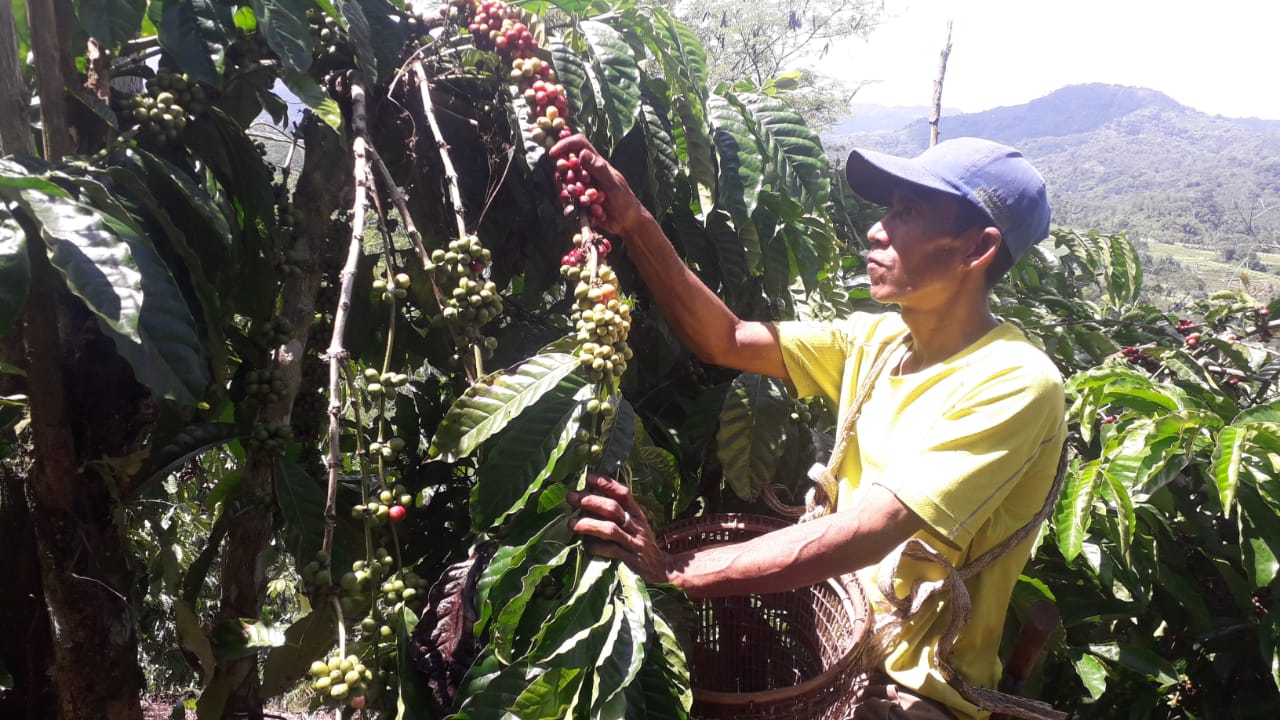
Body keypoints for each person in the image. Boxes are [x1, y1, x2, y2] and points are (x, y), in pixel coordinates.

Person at [555, 134, 1066, 720]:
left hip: (905, 690)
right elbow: (724, 338)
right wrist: (634, 222)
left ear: (978, 249)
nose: (878, 230)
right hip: (824, 647)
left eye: (908, 213)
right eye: (887, 211)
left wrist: (680, 570)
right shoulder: (875, 343)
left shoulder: (1016, 381)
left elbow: (876, 528)